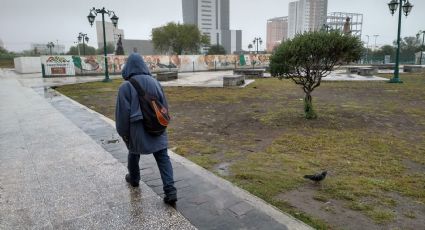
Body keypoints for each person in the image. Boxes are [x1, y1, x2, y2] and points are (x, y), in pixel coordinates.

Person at [115, 53, 177, 205]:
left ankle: (134, 179)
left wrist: (124, 134)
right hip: (157, 127)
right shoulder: (156, 83)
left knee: (133, 153)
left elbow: (122, 115)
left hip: (138, 130)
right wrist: (162, 124)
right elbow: (164, 108)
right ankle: (170, 191)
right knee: (163, 157)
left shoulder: (126, 87)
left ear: (128, 67)